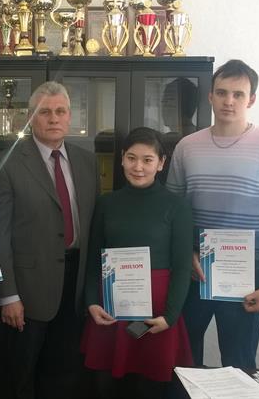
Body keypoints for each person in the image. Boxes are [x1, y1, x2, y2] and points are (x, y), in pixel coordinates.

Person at [166, 59, 259, 370]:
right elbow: (171, 212)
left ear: (251, 99)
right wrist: (184, 253)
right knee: (183, 365)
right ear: (210, 96)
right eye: (222, 92)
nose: (229, 101)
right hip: (194, 270)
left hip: (246, 273)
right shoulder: (187, 147)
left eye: (238, 94)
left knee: (239, 367)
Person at [0, 81, 98, 399]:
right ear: (30, 117)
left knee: (65, 370)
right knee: (21, 374)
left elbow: (94, 225)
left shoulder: (87, 161)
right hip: (27, 289)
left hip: (75, 283)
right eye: (44, 112)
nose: (53, 118)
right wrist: (8, 295)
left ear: (70, 117)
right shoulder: (6, 163)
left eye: (60, 111)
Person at [81, 127, 193, 398]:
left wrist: (170, 316)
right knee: (105, 386)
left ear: (161, 163)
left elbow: (182, 267)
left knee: (148, 387)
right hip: (111, 308)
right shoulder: (107, 203)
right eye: (131, 158)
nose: (138, 167)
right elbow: (94, 259)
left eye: (147, 160)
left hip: (156, 311)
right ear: (122, 158)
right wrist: (92, 302)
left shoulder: (176, 206)